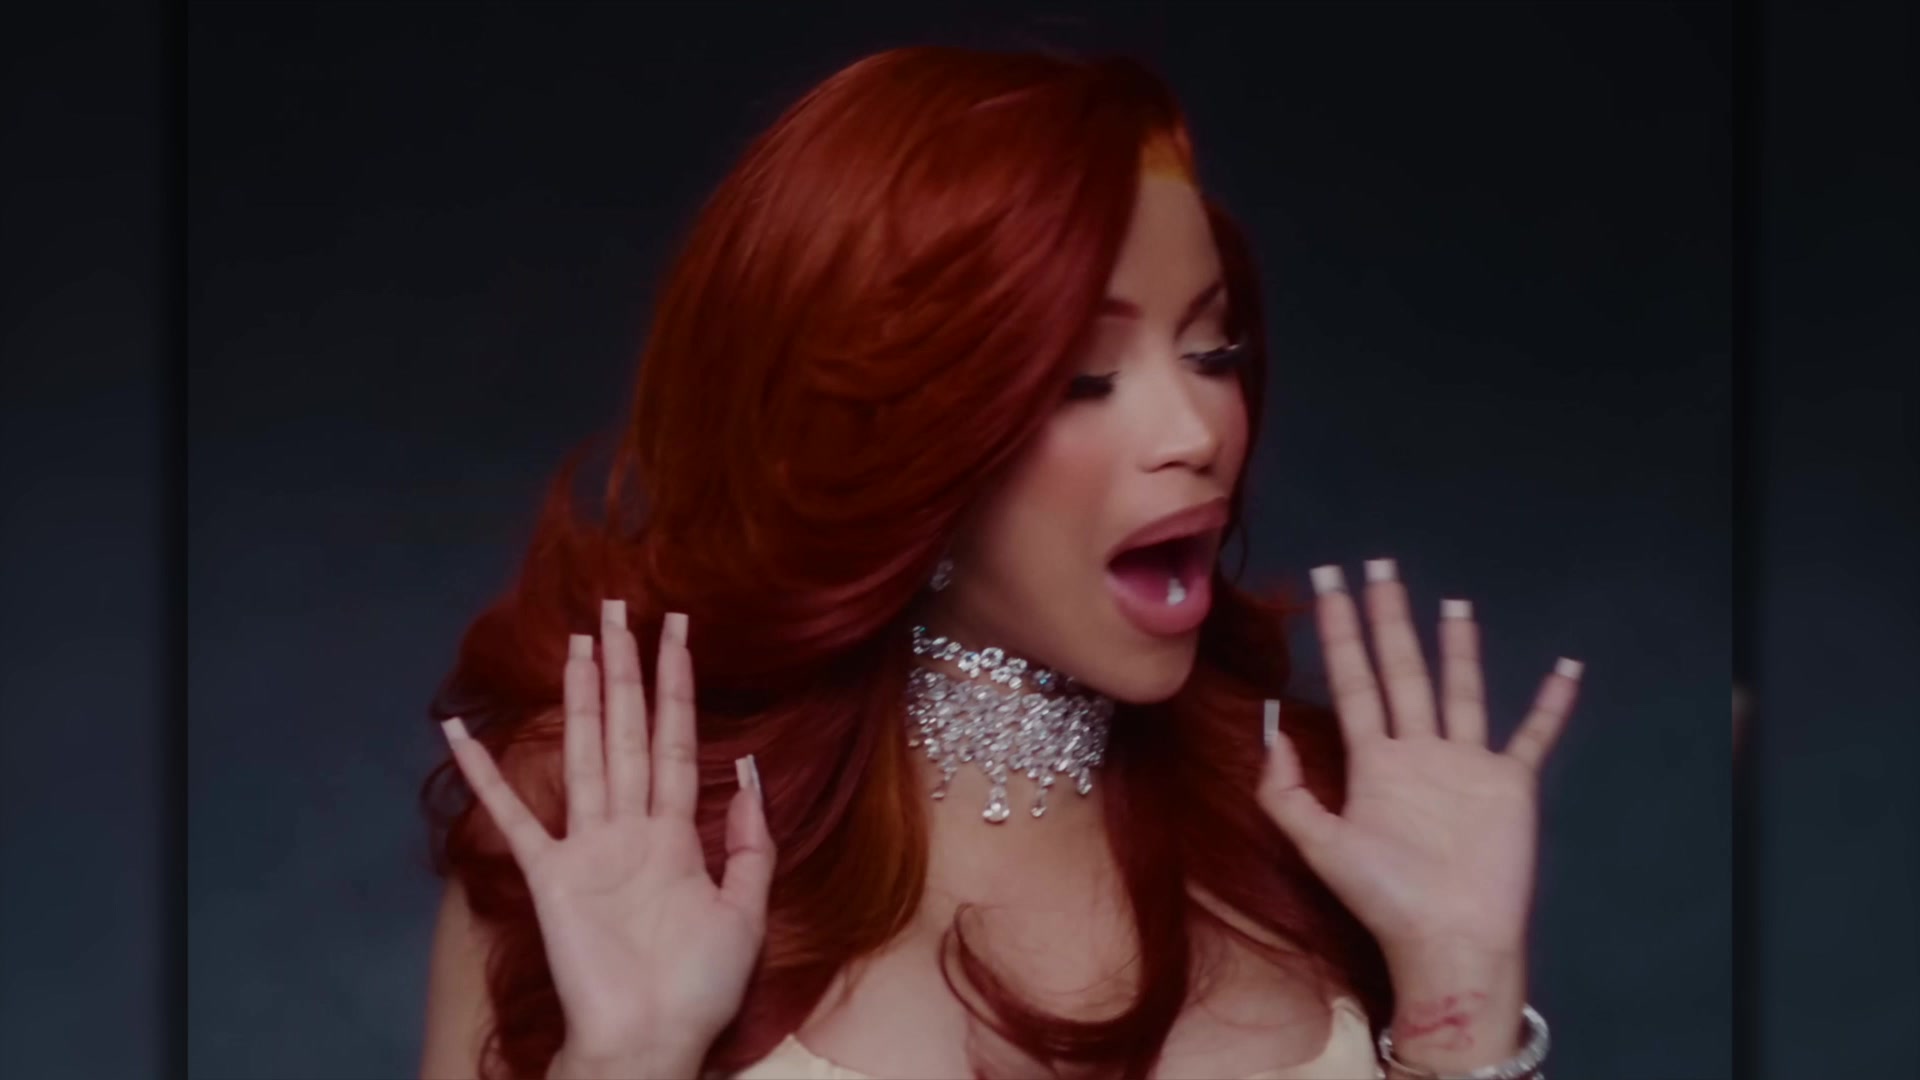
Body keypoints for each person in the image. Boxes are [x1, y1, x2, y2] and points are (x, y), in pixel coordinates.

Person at [415, 46, 1580, 1080]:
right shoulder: (615, 823)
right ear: (887, 436)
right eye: (1086, 377)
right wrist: (624, 1066)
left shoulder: (1323, 830)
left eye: (1213, 351)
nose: (1195, 431)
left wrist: (1461, 992)